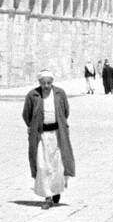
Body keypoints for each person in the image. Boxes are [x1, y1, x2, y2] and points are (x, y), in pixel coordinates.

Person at [22, 69, 75, 209]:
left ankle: (56, 190)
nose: (46, 86)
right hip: (41, 136)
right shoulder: (33, 95)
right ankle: (48, 196)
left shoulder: (60, 94)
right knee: (42, 165)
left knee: (58, 165)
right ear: (40, 82)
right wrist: (33, 126)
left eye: (49, 83)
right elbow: (26, 114)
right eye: (44, 83)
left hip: (57, 135)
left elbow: (65, 111)